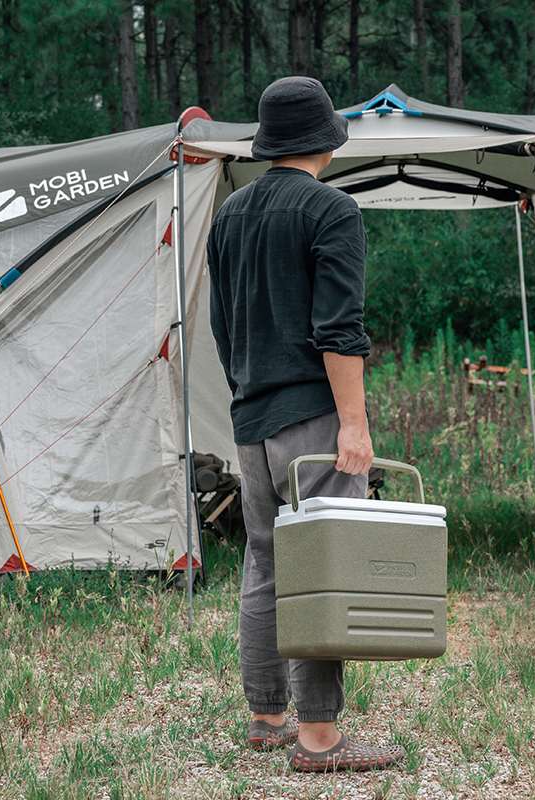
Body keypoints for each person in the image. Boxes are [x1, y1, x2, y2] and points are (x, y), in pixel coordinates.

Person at [207, 76, 405, 773]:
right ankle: (319, 739)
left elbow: (221, 327)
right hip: (311, 416)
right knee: (322, 564)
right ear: (325, 140)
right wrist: (354, 423)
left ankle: (266, 716)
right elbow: (339, 330)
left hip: (250, 416)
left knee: (264, 560)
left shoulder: (229, 215)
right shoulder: (333, 210)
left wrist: (247, 397)